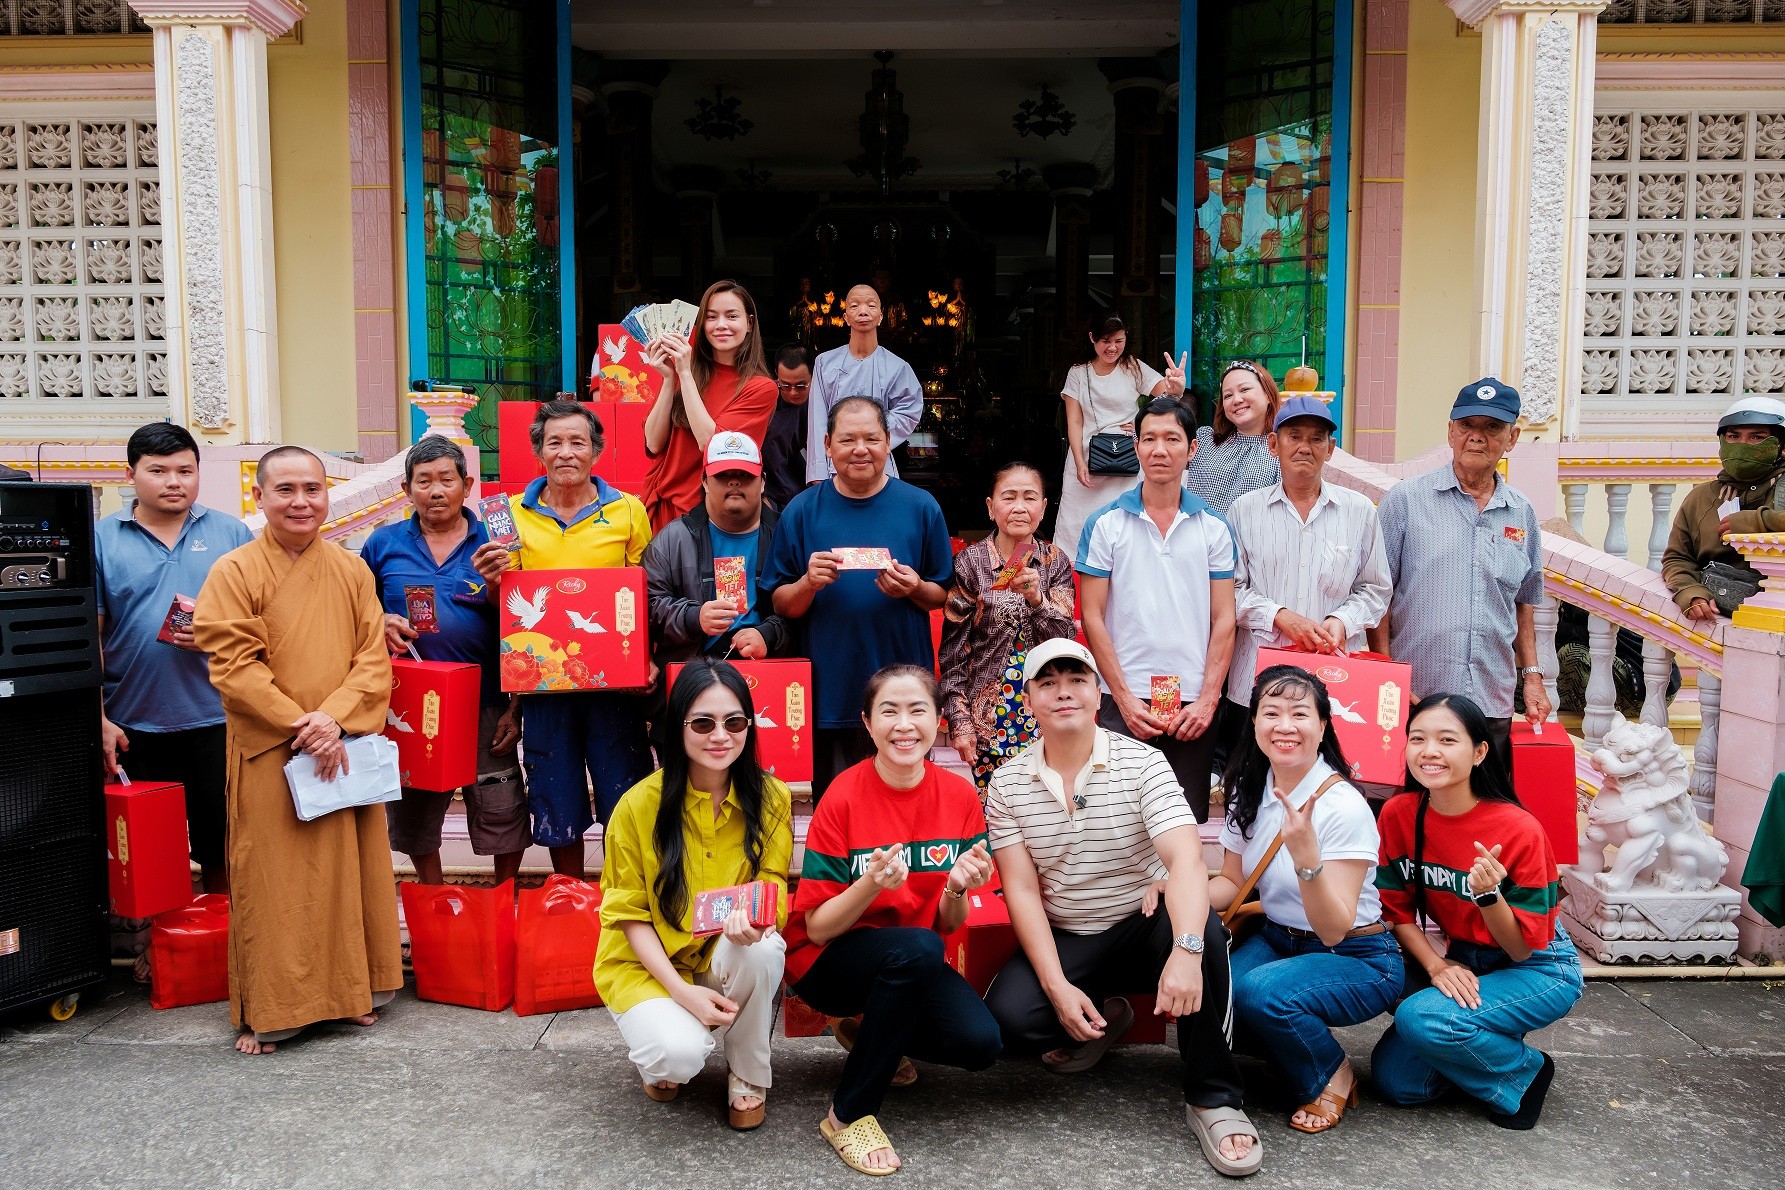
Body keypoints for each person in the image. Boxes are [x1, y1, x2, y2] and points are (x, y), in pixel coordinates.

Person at [984, 638, 1258, 1178]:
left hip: (1143, 923)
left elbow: (1184, 857)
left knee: (1204, 933)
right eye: (1048, 683)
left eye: (1077, 680)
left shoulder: (1143, 762)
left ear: (1098, 692)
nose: (1064, 693)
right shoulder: (1008, 782)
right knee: (1009, 1024)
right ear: (1030, 700)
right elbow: (1019, 889)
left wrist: (1184, 949)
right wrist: (1057, 985)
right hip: (1070, 932)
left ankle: (1214, 1098)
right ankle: (1106, 1018)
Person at [192, 447, 401, 1055]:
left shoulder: (350, 569)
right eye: (285, 490)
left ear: (327, 494)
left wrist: (332, 721)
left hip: (341, 745)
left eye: (312, 488)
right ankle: (276, 1010)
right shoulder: (233, 571)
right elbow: (232, 666)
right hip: (272, 747)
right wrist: (302, 724)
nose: (301, 501)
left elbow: (373, 658)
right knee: (276, 880)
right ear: (259, 497)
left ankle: (354, 992)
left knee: (350, 870)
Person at [784, 665, 1002, 1176]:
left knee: (981, 1044)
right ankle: (849, 1113)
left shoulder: (960, 796)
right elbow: (815, 928)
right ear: (867, 722)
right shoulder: (843, 794)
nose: (904, 725)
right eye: (889, 711)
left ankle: (870, 1029)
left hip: (911, 960)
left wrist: (956, 887)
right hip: (830, 961)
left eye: (917, 710)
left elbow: (948, 926)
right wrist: (870, 885)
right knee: (917, 949)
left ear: (939, 721)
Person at [596, 661, 794, 1131]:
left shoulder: (772, 798)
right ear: (677, 726)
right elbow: (629, 915)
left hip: (721, 955)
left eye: (735, 721)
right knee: (676, 1058)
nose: (720, 735)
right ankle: (671, 1044)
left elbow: (773, 880)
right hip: (649, 966)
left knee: (763, 948)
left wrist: (759, 919)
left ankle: (746, 1075)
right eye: (703, 722)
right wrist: (683, 994)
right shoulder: (636, 806)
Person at [1370, 694, 1583, 1130]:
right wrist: (1435, 965)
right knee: (1399, 1083)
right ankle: (1482, 1036)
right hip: (1463, 958)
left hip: (1538, 967)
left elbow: (1523, 949)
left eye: (1447, 740)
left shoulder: (1518, 828)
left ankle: (1523, 1071)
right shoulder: (1399, 814)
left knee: (1421, 1018)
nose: (1429, 751)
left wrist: (1488, 896)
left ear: (1480, 752)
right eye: (1417, 738)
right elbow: (1396, 914)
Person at [1208, 665, 1401, 1136]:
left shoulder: (1343, 806)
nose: (1285, 726)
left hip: (1357, 954)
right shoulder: (1250, 790)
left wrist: (1306, 858)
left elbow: (1334, 927)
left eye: (1299, 714)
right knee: (1217, 992)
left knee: (1262, 994)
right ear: (1253, 723)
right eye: (1270, 713)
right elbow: (1232, 883)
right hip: (1278, 939)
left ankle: (1330, 1071)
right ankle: (1287, 1052)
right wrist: (1173, 886)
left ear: (1323, 725)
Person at [482, 399, 654, 878]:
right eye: (554, 442)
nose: (566, 452)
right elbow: (504, 610)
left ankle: (625, 901)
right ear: (539, 450)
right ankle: (571, 896)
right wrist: (495, 582)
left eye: (577, 442)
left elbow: (644, 593)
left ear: (595, 451)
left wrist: (646, 658)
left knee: (626, 794)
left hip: (613, 687)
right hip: (545, 686)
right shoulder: (507, 515)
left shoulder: (628, 511)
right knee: (557, 799)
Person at [96, 422, 254, 898]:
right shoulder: (103, 539)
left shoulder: (232, 533)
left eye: (185, 470)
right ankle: (156, 949)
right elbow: (89, 638)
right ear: (130, 474)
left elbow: (262, 623)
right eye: (158, 470)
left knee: (222, 842)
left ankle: (223, 943)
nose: (174, 481)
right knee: (147, 849)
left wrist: (218, 635)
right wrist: (98, 719)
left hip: (219, 718)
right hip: (132, 723)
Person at [359, 437, 525, 886]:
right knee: (415, 808)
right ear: (405, 488)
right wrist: (380, 621)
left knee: (501, 803)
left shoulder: (498, 539)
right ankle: (433, 896)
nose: (436, 491)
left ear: (467, 485)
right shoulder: (382, 544)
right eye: (424, 481)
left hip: (487, 700)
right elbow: (354, 610)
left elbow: (528, 628)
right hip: (410, 702)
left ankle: (501, 899)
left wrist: (517, 705)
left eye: (447, 480)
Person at [768, 397, 952, 796]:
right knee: (839, 811)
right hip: (830, 689)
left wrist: (914, 587)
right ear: (827, 445)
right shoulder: (801, 511)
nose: (860, 449)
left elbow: (941, 595)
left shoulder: (921, 507)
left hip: (903, 695)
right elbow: (780, 602)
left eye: (871, 438)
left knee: (905, 812)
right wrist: (808, 583)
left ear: (888, 442)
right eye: (847, 439)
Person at [1369, 379, 1551, 770]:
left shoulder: (1521, 513)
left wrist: (1532, 676)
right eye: (1467, 425)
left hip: (1491, 696)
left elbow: (1523, 605)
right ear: (1450, 431)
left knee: (1483, 814)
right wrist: (1388, 678)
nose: (1477, 437)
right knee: (1412, 811)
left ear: (1512, 437)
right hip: (1419, 694)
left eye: (1492, 428)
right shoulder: (1405, 501)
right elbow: (1377, 596)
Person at [1077, 396, 1235, 819]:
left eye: (1172, 439)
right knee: (1118, 823)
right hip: (1121, 696)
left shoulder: (1214, 528)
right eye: (1149, 438)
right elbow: (1092, 616)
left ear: (1193, 448)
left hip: (1190, 701)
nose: (1159, 450)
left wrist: (1207, 700)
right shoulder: (1104, 524)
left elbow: (1224, 618)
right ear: (1137, 445)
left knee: (1182, 827)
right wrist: (1125, 699)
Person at [1223, 396, 1390, 736]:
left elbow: (1375, 589)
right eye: (1294, 436)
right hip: (1256, 684)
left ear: (1330, 448)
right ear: (1274, 444)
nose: (1305, 447)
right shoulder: (1243, 510)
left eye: (1316, 438)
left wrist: (1342, 620)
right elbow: (1229, 591)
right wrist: (1279, 616)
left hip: (1335, 686)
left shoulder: (1360, 511)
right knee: (1257, 785)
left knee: (1329, 783)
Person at [938, 462, 1076, 792]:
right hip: (988, 717)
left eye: (1029, 498)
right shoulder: (970, 563)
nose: (1018, 507)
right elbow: (954, 653)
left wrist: (1037, 598)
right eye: (1008, 497)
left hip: (1048, 712)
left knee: (1047, 811)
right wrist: (959, 720)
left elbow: (1065, 639)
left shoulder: (1054, 561)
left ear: (1043, 508)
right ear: (990, 507)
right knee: (995, 813)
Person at [642, 432, 794, 667]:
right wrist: (693, 617)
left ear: (763, 481)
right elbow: (646, 608)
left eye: (745, 475)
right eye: (723, 475)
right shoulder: (672, 540)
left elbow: (809, 610)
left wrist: (768, 634)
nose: (734, 482)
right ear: (704, 481)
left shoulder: (786, 535)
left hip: (767, 667)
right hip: (694, 671)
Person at [640, 279, 778, 532]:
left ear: (749, 323)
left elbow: (712, 445)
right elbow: (653, 442)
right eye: (711, 317)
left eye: (731, 316)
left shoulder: (761, 388)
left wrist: (684, 373)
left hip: (712, 514)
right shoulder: (683, 372)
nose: (721, 325)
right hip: (662, 505)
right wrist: (670, 378)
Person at [1055, 313, 1188, 559]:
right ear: (1092, 338)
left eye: (1119, 340)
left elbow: (1167, 397)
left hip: (1126, 458)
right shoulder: (1078, 373)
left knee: (1125, 525)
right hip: (1086, 458)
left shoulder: (1132, 367)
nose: (1113, 347)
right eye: (1106, 340)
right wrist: (1078, 461)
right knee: (1076, 528)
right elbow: (1073, 420)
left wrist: (1146, 416)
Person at [1662, 395, 1785, 622]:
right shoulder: (1701, 497)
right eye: (1733, 436)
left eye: (1757, 437)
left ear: (1782, 446)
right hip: (1720, 619)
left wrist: (1760, 522)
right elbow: (1677, 559)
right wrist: (1690, 593)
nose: (1742, 445)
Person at [803, 284, 923, 485]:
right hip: (835, 466)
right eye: (855, 306)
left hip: (879, 465)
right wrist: (818, 473)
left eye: (871, 305)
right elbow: (817, 419)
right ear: (845, 316)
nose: (863, 311)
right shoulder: (825, 363)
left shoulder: (897, 366)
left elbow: (909, 410)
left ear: (881, 316)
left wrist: (873, 438)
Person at [1185, 360, 1282, 516]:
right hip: (1200, 538)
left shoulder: (1282, 450)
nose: (1236, 400)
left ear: (1268, 395)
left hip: (1253, 540)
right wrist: (1172, 396)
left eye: (1245, 389)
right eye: (1228, 395)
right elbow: (1153, 440)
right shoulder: (1204, 441)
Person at [763, 343, 811, 512]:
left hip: (804, 487)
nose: (792, 393)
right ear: (776, 376)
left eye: (801, 386)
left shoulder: (821, 402)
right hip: (767, 489)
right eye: (785, 385)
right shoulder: (765, 400)